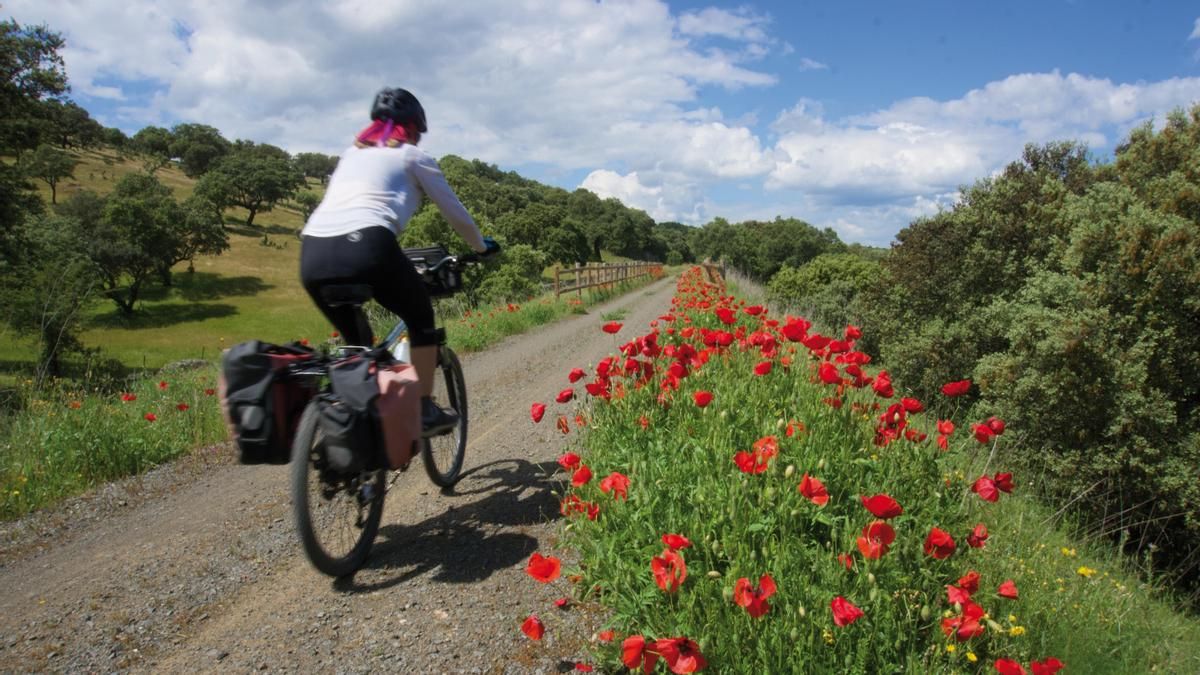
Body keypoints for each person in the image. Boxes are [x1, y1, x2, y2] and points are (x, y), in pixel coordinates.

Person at [300, 87, 499, 435]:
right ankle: (423, 409)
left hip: (312, 253)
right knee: (420, 318)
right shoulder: (412, 156)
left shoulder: (350, 155)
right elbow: (457, 215)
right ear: (414, 128)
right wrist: (481, 247)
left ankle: (355, 428)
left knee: (358, 347)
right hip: (368, 246)